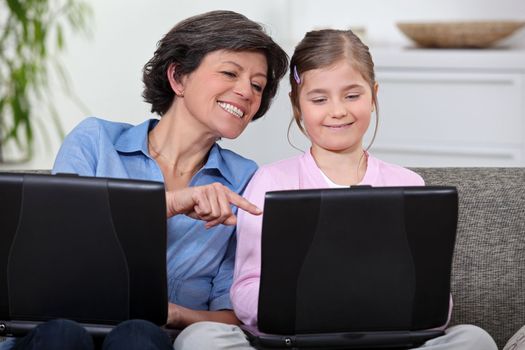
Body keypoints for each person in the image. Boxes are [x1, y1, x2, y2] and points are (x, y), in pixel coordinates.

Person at [173, 29, 498, 350]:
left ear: (373, 96)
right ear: (297, 105)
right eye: (319, 99)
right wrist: (309, 306)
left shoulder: (408, 185)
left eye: (352, 95)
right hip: (295, 342)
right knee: (200, 338)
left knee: (474, 338)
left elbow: (434, 301)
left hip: (385, 341)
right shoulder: (271, 181)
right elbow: (245, 288)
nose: (338, 110)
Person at [0, 10, 288, 350]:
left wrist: (177, 313)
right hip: (62, 327)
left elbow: (236, 314)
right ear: (178, 77)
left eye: (257, 85)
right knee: (61, 334)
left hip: (156, 340)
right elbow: (57, 248)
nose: (246, 92)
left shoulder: (244, 180)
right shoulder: (96, 140)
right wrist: (166, 205)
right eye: (229, 73)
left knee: (138, 336)